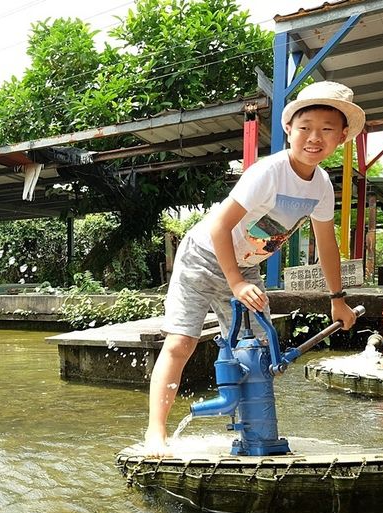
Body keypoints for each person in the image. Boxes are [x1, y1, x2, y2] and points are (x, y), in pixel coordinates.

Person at [144, 80, 362, 455]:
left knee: (258, 354)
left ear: (342, 137)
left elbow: (327, 243)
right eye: (306, 128)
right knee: (181, 343)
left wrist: (336, 299)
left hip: (244, 269)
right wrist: (234, 281)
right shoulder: (269, 172)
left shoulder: (322, 186)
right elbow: (219, 226)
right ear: (289, 130)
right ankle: (156, 432)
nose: (315, 138)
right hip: (203, 257)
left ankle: (252, 435)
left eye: (327, 130)